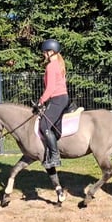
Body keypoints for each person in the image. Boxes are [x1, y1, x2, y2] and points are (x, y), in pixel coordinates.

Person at [37, 39, 69, 169]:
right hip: (62, 98)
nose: (44, 55)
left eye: (45, 52)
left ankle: (55, 157)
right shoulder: (60, 64)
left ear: (51, 52)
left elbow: (50, 88)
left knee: (44, 124)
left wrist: (41, 100)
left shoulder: (51, 66)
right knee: (51, 125)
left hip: (57, 99)